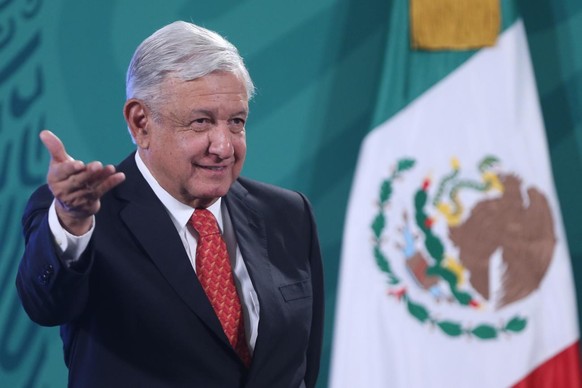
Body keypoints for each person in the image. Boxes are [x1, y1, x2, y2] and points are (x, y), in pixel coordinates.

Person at [16, 21, 324, 388]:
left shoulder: (288, 214)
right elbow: (46, 305)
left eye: (236, 122)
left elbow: (302, 366)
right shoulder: (84, 217)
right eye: (201, 122)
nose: (224, 146)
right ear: (141, 122)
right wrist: (71, 222)